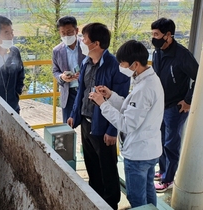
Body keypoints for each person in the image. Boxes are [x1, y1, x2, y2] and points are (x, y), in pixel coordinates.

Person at [89, 40, 164, 208]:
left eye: (122, 64)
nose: (120, 68)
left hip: (138, 153)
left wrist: (102, 104)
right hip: (150, 150)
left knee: (137, 198)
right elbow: (132, 108)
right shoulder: (150, 79)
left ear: (135, 64)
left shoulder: (144, 88)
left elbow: (127, 124)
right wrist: (110, 96)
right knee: (148, 191)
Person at [67, 23, 130, 210]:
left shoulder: (115, 66)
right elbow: (81, 92)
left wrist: (112, 130)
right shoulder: (86, 62)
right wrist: (74, 115)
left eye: (84, 39)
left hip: (104, 126)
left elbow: (121, 101)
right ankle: (94, 199)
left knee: (107, 168)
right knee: (91, 163)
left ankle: (111, 204)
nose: (81, 42)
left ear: (96, 43)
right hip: (86, 123)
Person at [151, 18, 199, 192]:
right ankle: (163, 171)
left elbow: (199, 76)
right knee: (161, 140)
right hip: (160, 105)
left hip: (175, 107)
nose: (153, 38)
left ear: (168, 35)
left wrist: (188, 100)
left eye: (157, 34)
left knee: (171, 143)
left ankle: (169, 179)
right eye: (152, 34)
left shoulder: (182, 55)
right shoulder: (157, 53)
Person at [52, 16, 85, 123]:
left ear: (76, 30)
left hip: (85, 91)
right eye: (63, 33)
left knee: (87, 127)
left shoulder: (86, 46)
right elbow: (55, 70)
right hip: (68, 93)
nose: (66, 36)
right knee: (67, 127)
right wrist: (62, 77)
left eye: (69, 32)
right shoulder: (57, 51)